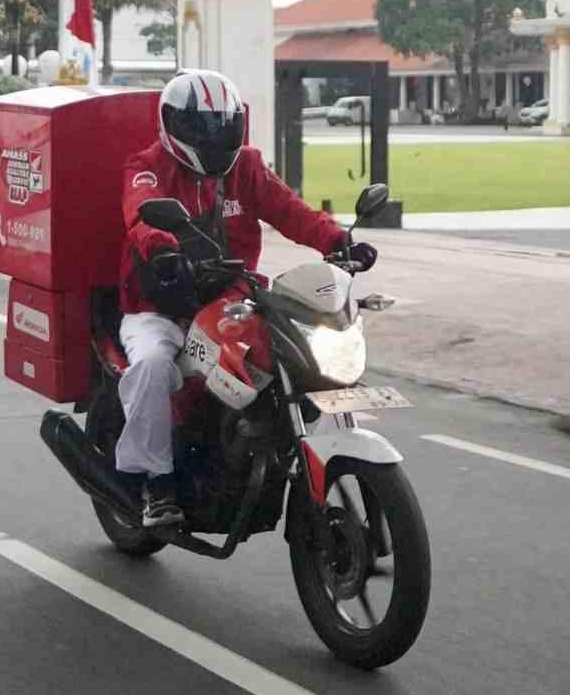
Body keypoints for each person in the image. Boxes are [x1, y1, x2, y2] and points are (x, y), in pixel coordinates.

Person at [118, 70, 378, 528]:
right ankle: (155, 484)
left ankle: (264, 443)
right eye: (201, 128)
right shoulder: (147, 166)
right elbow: (141, 214)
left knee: (289, 354)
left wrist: (338, 241)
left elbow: (291, 210)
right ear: (173, 125)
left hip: (235, 296)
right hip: (159, 306)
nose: (214, 137)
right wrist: (161, 250)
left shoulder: (247, 166)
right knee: (152, 366)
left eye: (223, 126)